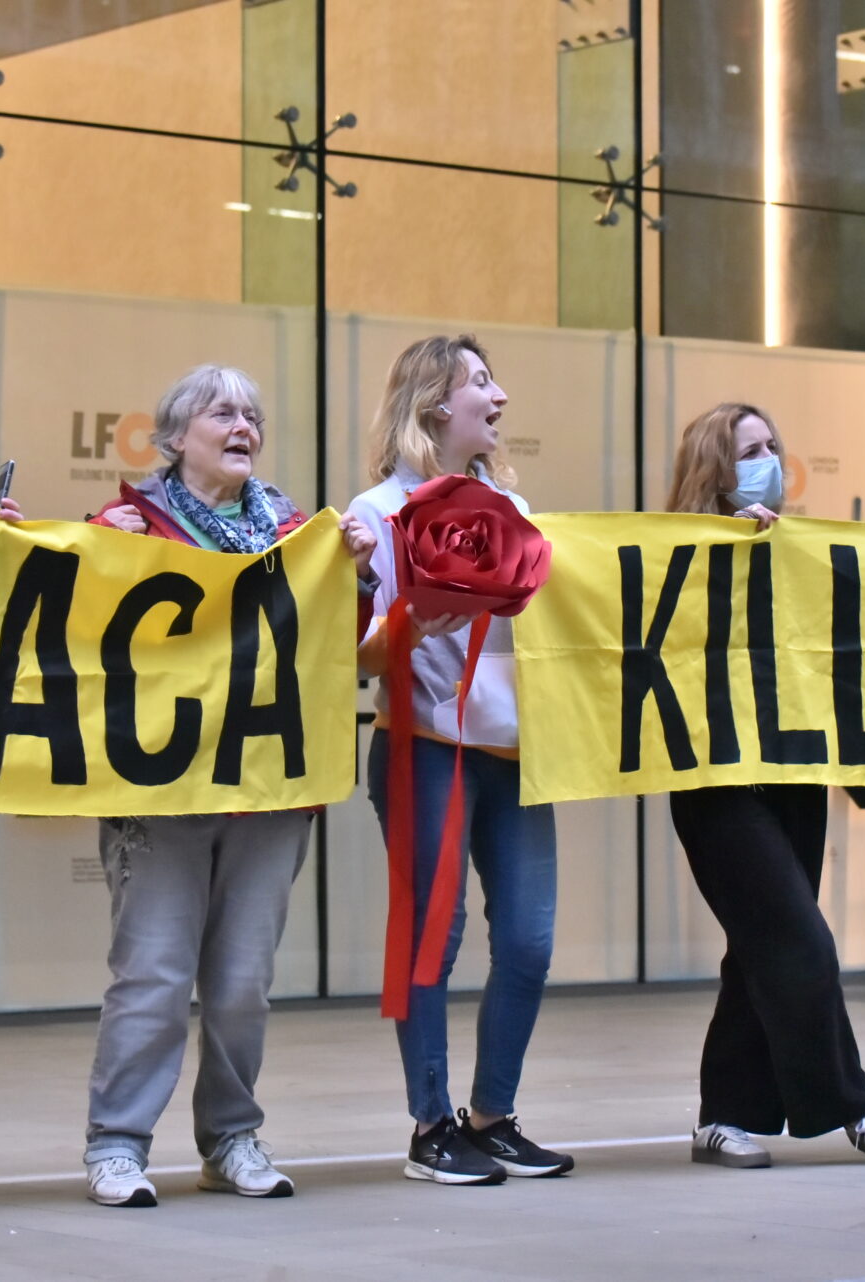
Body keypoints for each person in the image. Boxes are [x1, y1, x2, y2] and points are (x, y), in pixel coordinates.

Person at [38, 364, 378, 1208]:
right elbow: (70, 620)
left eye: (252, 414)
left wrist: (356, 579)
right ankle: (116, 1143)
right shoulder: (123, 525)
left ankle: (231, 1137)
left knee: (240, 983)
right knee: (152, 974)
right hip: (160, 793)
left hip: (265, 792)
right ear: (173, 436)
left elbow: (342, 643)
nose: (242, 425)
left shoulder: (299, 534)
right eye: (221, 411)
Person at [664, 402, 865, 1169]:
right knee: (801, 939)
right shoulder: (671, 553)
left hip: (792, 770)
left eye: (775, 443)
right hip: (713, 781)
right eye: (752, 448)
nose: (771, 456)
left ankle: (723, 1117)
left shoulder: (802, 550)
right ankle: (855, 1109)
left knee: (758, 948)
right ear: (716, 466)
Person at [347, 334, 573, 1187]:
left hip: (515, 752)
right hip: (425, 747)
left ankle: (494, 1116)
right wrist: (410, 624)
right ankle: (431, 1124)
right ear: (438, 401)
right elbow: (358, 655)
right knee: (431, 933)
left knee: (528, 938)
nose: (501, 396)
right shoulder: (373, 514)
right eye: (483, 382)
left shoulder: (516, 513)